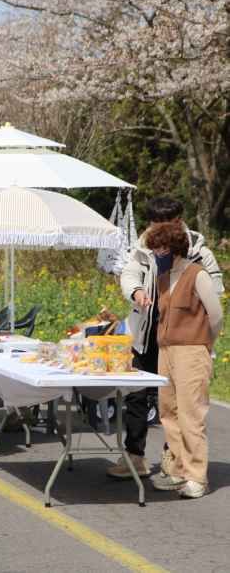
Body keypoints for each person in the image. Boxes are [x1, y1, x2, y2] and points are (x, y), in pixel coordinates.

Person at [111, 197, 224, 479]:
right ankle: (134, 457)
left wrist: (205, 339)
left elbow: (215, 295)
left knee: (178, 402)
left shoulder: (198, 250)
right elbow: (128, 274)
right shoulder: (142, 246)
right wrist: (136, 291)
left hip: (184, 337)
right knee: (137, 397)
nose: (158, 230)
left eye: (166, 223)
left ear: (178, 220)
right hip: (147, 332)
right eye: (154, 224)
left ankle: (173, 459)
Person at [139, 222, 223, 498]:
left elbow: (216, 315)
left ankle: (197, 476)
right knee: (168, 413)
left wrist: (205, 345)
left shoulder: (198, 275)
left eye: (159, 249)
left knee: (191, 413)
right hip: (166, 350)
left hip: (192, 350)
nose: (156, 254)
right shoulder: (163, 280)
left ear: (173, 248)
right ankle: (177, 468)